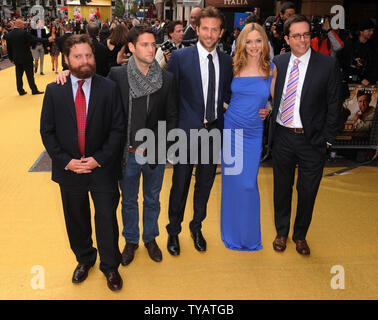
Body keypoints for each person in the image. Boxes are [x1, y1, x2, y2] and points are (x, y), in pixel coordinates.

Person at [40, 34, 126, 291]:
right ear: (66, 60)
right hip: (70, 171)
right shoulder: (55, 90)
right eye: (78, 56)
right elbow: (47, 131)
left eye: (88, 55)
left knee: (106, 218)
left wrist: (98, 159)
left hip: (102, 168)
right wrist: (67, 162)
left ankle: (110, 266)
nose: (85, 61)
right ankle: (84, 259)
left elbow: (118, 129)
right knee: (75, 218)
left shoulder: (109, 87)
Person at [269, 15, 341, 256]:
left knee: (308, 191)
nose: (302, 40)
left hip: (313, 140)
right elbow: (268, 96)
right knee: (281, 188)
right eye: (297, 35)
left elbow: (334, 103)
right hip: (282, 136)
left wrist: (328, 138)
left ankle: (300, 235)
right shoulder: (277, 63)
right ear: (287, 39)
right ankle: (281, 232)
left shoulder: (327, 64)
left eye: (306, 34)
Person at [108, 25, 178, 266]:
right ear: (131, 47)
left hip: (154, 153)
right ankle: (131, 240)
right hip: (126, 154)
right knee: (128, 201)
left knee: (152, 199)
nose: (151, 49)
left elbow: (172, 117)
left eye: (153, 44)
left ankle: (150, 238)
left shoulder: (166, 79)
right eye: (145, 45)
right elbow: (108, 113)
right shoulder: (117, 76)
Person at [165, 7, 233, 256]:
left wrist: (221, 109)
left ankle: (197, 227)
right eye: (205, 28)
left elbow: (227, 92)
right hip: (185, 134)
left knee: (204, 185)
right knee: (179, 186)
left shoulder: (227, 62)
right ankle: (173, 231)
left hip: (213, 133)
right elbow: (169, 97)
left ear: (221, 32)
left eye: (215, 29)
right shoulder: (181, 58)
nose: (209, 33)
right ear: (197, 28)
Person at [221, 23, 275, 251]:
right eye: (249, 41)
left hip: (253, 133)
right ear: (242, 43)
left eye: (258, 40)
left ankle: (249, 236)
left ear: (265, 43)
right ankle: (232, 234)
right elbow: (220, 94)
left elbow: (276, 99)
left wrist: (269, 108)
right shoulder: (233, 66)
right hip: (232, 129)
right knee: (233, 183)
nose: (254, 46)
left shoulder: (271, 69)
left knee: (248, 184)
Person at [4, 19, 43, 95]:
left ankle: (20, 91)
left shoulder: (9, 35)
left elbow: (9, 48)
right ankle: (34, 90)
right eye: (23, 24)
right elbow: (34, 39)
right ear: (18, 24)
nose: (24, 25)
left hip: (16, 59)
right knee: (30, 75)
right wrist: (46, 40)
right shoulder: (24, 33)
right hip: (26, 58)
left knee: (18, 76)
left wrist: (11, 58)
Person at [339, 18, 377, 86]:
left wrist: (370, 79)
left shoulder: (373, 46)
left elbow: (375, 65)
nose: (372, 33)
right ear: (361, 31)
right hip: (351, 83)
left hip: (369, 83)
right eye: (369, 30)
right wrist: (353, 62)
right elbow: (343, 63)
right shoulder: (350, 44)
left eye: (373, 30)